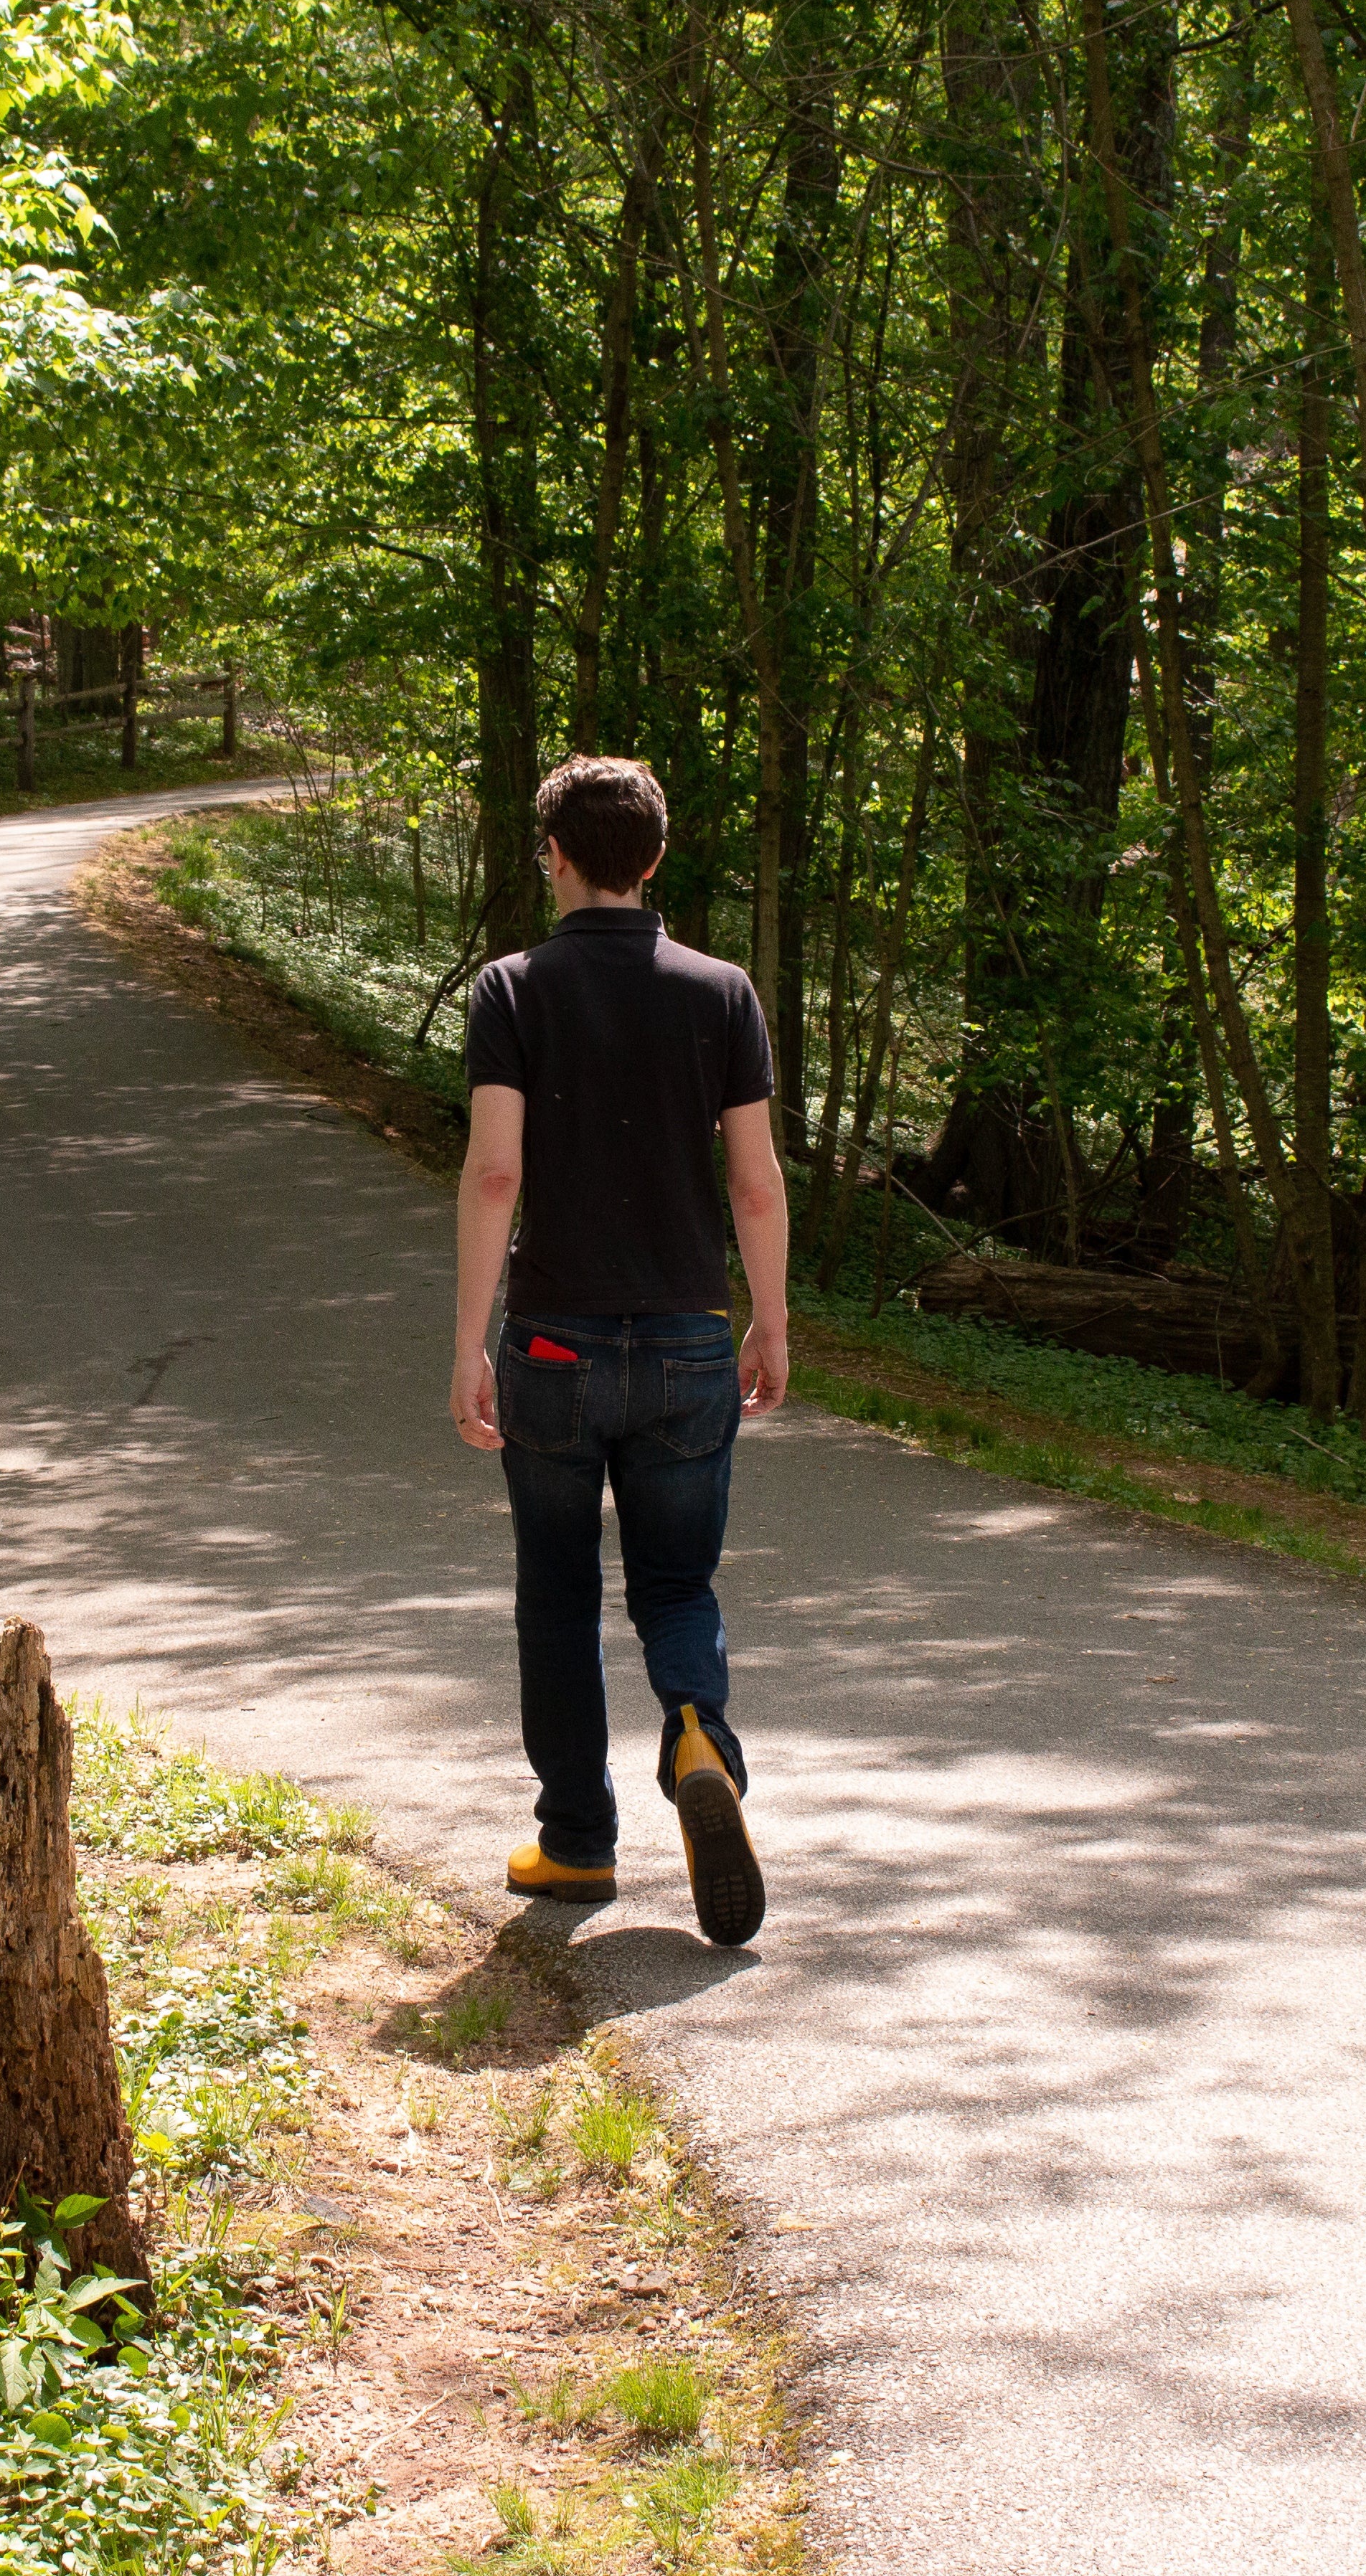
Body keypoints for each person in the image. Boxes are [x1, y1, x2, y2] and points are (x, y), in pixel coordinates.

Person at [447, 755, 788, 1947]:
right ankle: (697, 1733)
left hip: (551, 1338)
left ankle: (579, 1846)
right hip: (692, 1338)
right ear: (654, 858)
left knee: (557, 1590)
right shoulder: (723, 991)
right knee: (678, 1584)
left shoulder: (514, 989)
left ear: (556, 855)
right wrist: (771, 1319)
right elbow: (754, 1182)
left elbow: (497, 1171)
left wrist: (469, 1340)